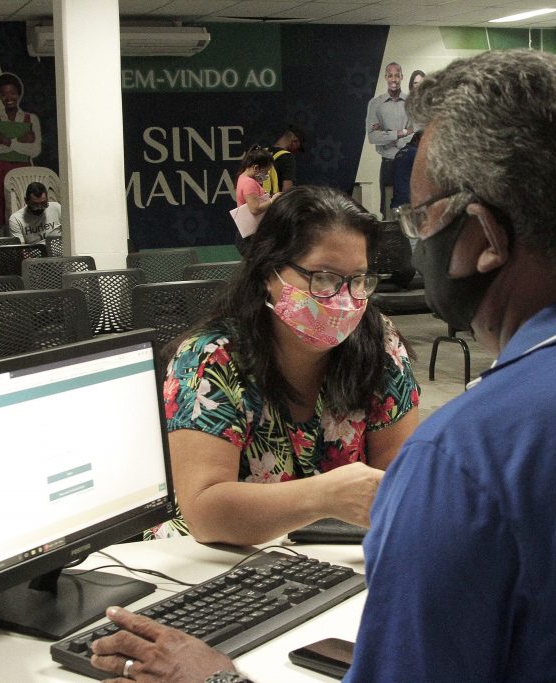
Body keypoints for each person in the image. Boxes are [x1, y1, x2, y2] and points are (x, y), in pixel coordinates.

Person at [90, 50, 556, 683]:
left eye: (419, 218)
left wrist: (219, 674)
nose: (412, 247)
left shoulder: (474, 451)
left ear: (480, 235)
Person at [145, 184, 419, 546]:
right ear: (267, 273)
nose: (344, 298)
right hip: (210, 561)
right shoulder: (211, 358)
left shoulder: (377, 343)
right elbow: (204, 511)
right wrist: (323, 496)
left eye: (357, 280)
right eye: (322, 278)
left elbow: (397, 483)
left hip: (331, 558)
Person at [0, 72, 42, 229]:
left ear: (19, 94)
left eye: (12, 93)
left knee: (25, 206)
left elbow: (34, 150)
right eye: (4, 94)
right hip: (1, 168)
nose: (8, 97)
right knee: (2, 207)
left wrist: (6, 140)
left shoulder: (31, 119)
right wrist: (22, 141)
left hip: (24, 168)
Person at [366, 62, 413, 219]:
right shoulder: (375, 104)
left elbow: (415, 134)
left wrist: (387, 134)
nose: (394, 79)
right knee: (388, 213)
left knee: (409, 212)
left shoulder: (410, 103)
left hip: (407, 165)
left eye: (397, 75)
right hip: (388, 164)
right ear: (385, 77)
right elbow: (373, 137)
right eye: (390, 75)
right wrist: (401, 133)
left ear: (402, 77)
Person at [262, 124, 305, 195]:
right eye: (298, 147)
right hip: (274, 204)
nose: (296, 151)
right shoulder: (287, 157)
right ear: (294, 141)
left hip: (257, 203)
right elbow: (287, 190)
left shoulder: (261, 152)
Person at [390, 129, 421, 212]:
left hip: (397, 202)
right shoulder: (416, 153)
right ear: (418, 139)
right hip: (410, 204)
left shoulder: (399, 153)